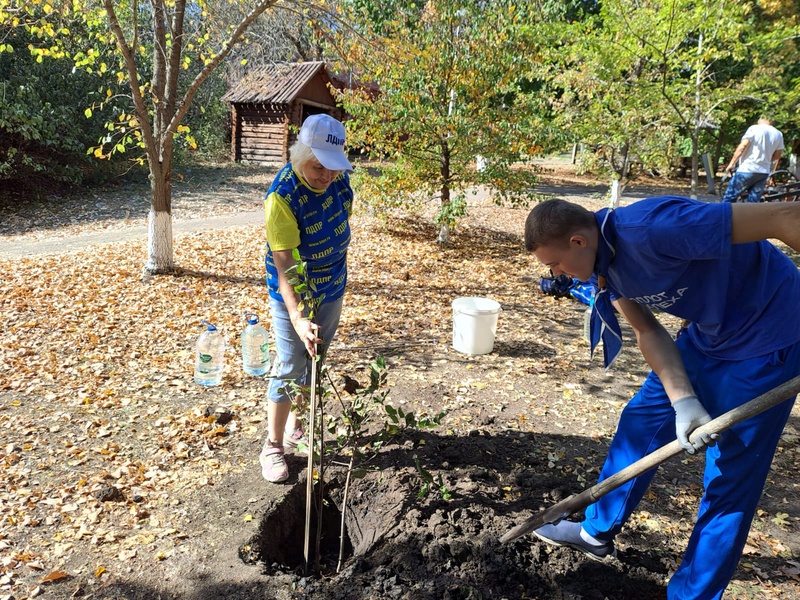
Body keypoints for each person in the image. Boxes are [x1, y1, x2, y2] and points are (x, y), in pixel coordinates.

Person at [523, 196, 800, 600]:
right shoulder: (604, 268)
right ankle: (595, 531)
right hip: (708, 336)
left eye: (555, 264)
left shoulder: (656, 228)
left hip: (769, 341)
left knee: (728, 476)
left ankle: (692, 595)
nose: (556, 273)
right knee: (642, 421)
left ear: (579, 241)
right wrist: (684, 401)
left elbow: (785, 215)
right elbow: (648, 332)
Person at [259, 114, 354, 483]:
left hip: (333, 283)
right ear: (300, 157)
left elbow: (343, 218)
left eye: (333, 167)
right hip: (293, 293)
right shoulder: (281, 198)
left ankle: (298, 427)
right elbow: (285, 269)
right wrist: (298, 318)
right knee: (289, 363)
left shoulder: (339, 181)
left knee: (316, 358)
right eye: (318, 167)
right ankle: (272, 445)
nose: (327, 175)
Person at [722, 117, 784, 203]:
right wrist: (765, 161)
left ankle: (722, 216)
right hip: (763, 172)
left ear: (762, 119)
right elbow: (778, 155)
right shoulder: (778, 134)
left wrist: (732, 163)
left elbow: (742, 146)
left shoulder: (754, 128)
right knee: (753, 202)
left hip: (747, 169)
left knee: (729, 198)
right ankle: (749, 216)